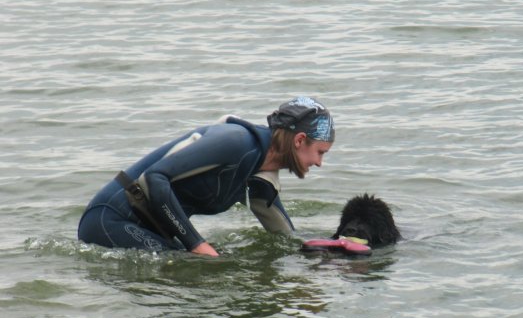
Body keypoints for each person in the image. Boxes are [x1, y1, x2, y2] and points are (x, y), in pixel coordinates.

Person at [77, 96, 334, 257]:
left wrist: (323, 252)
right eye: (320, 152)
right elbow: (154, 178)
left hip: (150, 230)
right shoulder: (236, 141)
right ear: (300, 140)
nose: (319, 163)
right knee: (193, 267)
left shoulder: (262, 173)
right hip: (110, 219)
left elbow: (284, 236)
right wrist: (196, 244)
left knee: (204, 267)